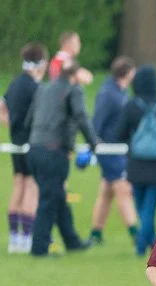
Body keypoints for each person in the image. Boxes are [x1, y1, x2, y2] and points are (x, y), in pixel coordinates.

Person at [25, 62, 100, 257]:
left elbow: (29, 119)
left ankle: (72, 241)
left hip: (34, 148)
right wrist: (94, 142)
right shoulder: (73, 90)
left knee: (57, 195)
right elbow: (81, 116)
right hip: (54, 151)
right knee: (49, 199)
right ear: (75, 75)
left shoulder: (43, 89)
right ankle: (39, 247)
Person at [120, 65, 156, 256]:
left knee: (141, 206)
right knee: (149, 207)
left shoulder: (131, 106)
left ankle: (140, 247)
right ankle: (152, 243)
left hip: (137, 164)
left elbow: (120, 133)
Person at [89, 57, 139, 246]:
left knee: (106, 192)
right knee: (123, 189)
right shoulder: (108, 93)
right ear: (128, 73)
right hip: (109, 150)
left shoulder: (121, 91)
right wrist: (93, 144)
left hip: (118, 149)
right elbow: (97, 121)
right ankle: (136, 235)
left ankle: (96, 233)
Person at [3, 43, 46, 254]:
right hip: (31, 143)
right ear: (41, 63)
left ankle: (14, 239)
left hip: (15, 142)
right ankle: (27, 238)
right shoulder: (35, 87)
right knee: (31, 187)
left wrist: (11, 124)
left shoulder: (15, 83)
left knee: (18, 185)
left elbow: (2, 108)